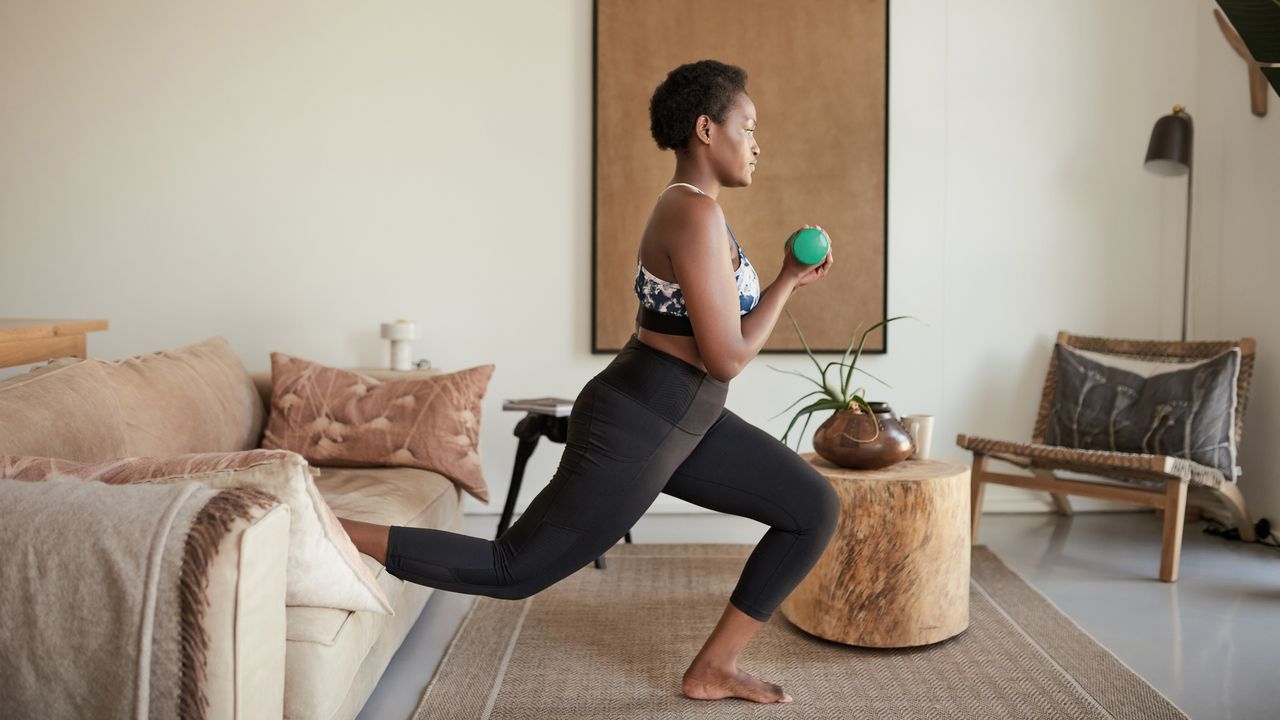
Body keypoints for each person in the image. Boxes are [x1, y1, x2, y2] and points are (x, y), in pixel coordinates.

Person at [338, 58, 839, 705]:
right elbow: (726, 357)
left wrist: (786, 281)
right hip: (647, 413)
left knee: (810, 508)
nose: (757, 142)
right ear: (707, 129)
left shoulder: (703, 213)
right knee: (513, 570)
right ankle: (326, 527)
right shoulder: (692, 214)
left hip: (686, 415)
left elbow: (722, 340)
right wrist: (783, 286)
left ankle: (712, 669)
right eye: (749, 125)